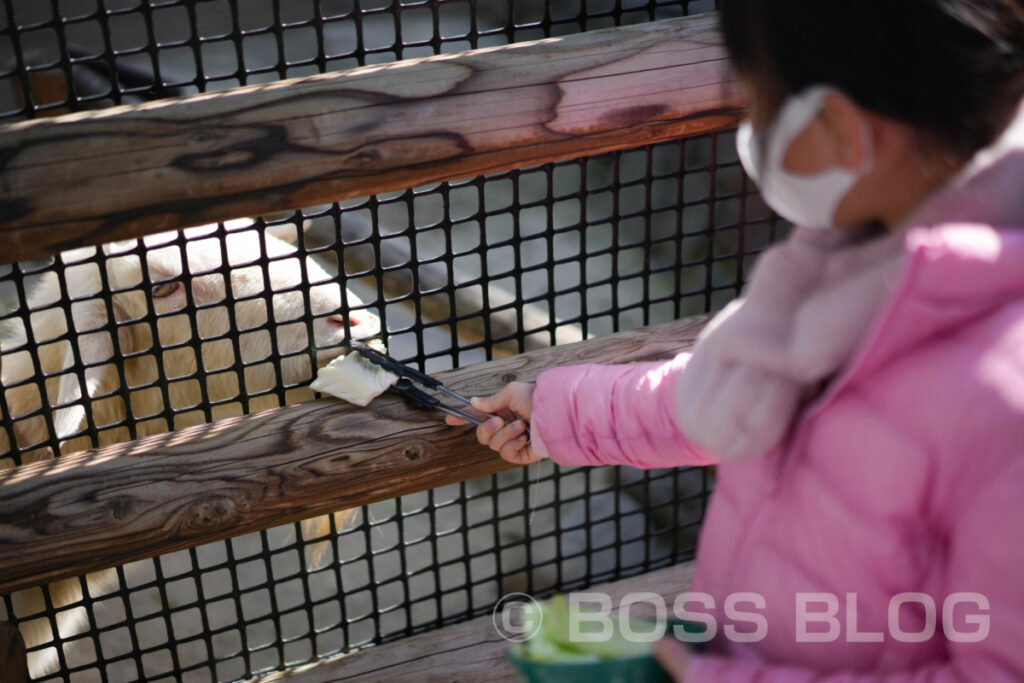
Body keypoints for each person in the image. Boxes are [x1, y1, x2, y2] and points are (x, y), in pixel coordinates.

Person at [447, 0, 1024, 680]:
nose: (752, 127)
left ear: (838, 125)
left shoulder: (998, 402)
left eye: (758, 99)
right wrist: (559, 411)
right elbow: (736, 394)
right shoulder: (855, 257)